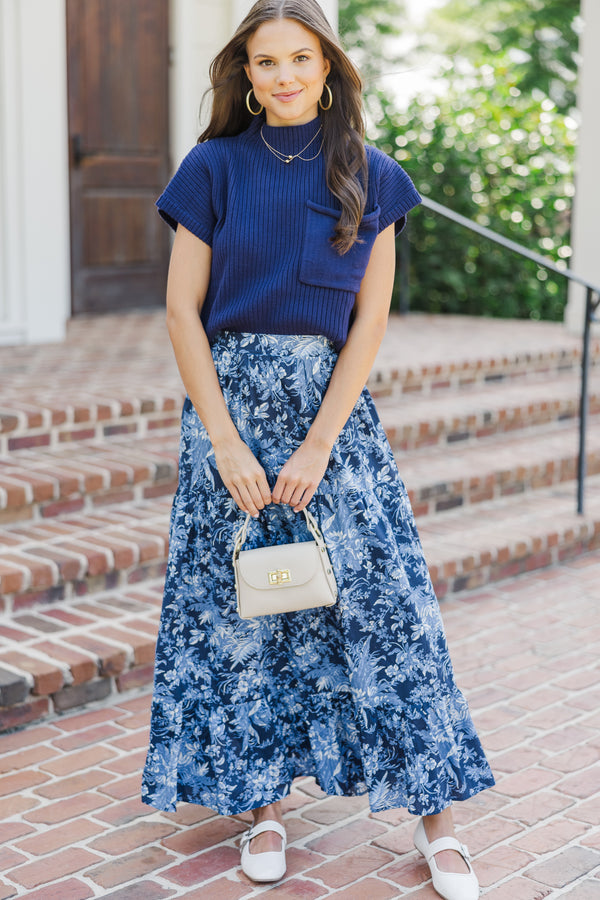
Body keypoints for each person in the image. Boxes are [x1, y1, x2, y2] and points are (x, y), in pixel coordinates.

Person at [141, 1, 495, 896]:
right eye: (267, 63)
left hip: (329, 418)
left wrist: (319, 445)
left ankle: (439, 820)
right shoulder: (212, 167)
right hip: (229, 414)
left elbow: (369, 320)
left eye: (302, 58)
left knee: (387, 611)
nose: (286, 75)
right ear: (246, 77)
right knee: (248, 616)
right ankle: (263, 807)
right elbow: (183, 310)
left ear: (330, 68)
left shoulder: (371, 174)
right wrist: (222, 438)